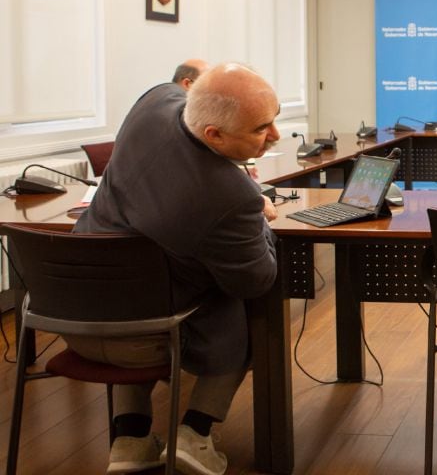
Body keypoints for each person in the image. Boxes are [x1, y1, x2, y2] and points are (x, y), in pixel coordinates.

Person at [68, 63, 281, 475]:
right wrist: (258, 211)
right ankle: (195, 434)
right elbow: (257, 279)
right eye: (260, 129)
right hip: (142, 337)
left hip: (69, 313)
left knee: (141, 290)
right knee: (238, 304)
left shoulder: (154, 102)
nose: (274, 135)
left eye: (274, 120)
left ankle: (130, 439)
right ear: (213, 134)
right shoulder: (231, 198)